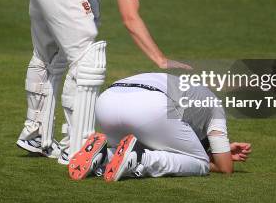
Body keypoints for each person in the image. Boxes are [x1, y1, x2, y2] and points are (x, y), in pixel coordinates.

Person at [16, 0, 198, 164]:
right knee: (86, 62)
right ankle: (76, 146)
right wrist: (160, 59)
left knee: (49, 56)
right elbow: (130, 18)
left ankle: (35, 133)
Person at [68, 73, 252, 181]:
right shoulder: (215, 106)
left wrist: (219, 153)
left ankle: (103, 155)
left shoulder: (191, 92)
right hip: (149, 104)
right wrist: (218, 156)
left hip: (106, 101)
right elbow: (225, 168)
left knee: (126, 148)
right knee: (200, 163)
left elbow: (159, 139)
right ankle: (140, 160)